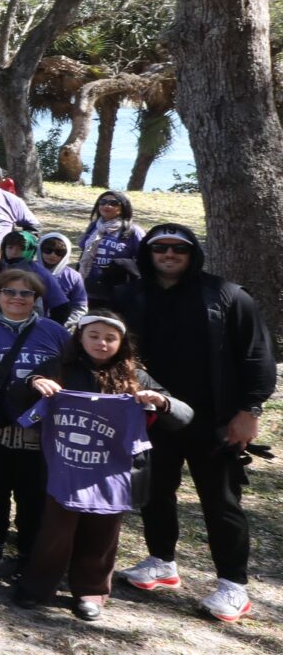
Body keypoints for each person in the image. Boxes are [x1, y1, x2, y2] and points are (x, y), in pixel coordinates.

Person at [109, 224, 273, 622]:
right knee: (155, 492)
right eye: (159, 248)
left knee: (221, 502)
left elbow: (257, 357)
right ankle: (161, 562)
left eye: (177, 249)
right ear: (147, 253)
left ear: (192, 253)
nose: (168, 254)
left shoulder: (226, 295)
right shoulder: (130, 295)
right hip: (153, 415)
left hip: (215, 419)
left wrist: (249, 411)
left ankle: (234, 586)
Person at [13, 312, 194, 620]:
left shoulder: (135, 375)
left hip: (113, 472)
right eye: (94, 335)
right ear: (80, 338)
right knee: (56, 531)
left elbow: (183, 415)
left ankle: (91, 591)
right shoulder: (59, 368)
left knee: (102, 533)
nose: (101, 342)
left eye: (110, 338)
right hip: (65, 469)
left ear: (122, 343)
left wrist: (161, 402)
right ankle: (37, 586)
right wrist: (34, 382)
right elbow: (17, 400)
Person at [0, 269, 72, 572]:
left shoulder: (54, 331)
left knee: (32, 494)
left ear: (36, 298)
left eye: (25, 293)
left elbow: (71, 370)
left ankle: (28, 550)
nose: (17, 298)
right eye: (9, 291)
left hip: (37, 432)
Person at [76, 190, 141, 310]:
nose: (107, 206)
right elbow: (83, 251)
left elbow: (144, 259)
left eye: (113, 203)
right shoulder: (93, 227)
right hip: (88, 286)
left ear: (123, 207)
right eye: (103, 202)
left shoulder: (133, 231)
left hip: (117, 290)